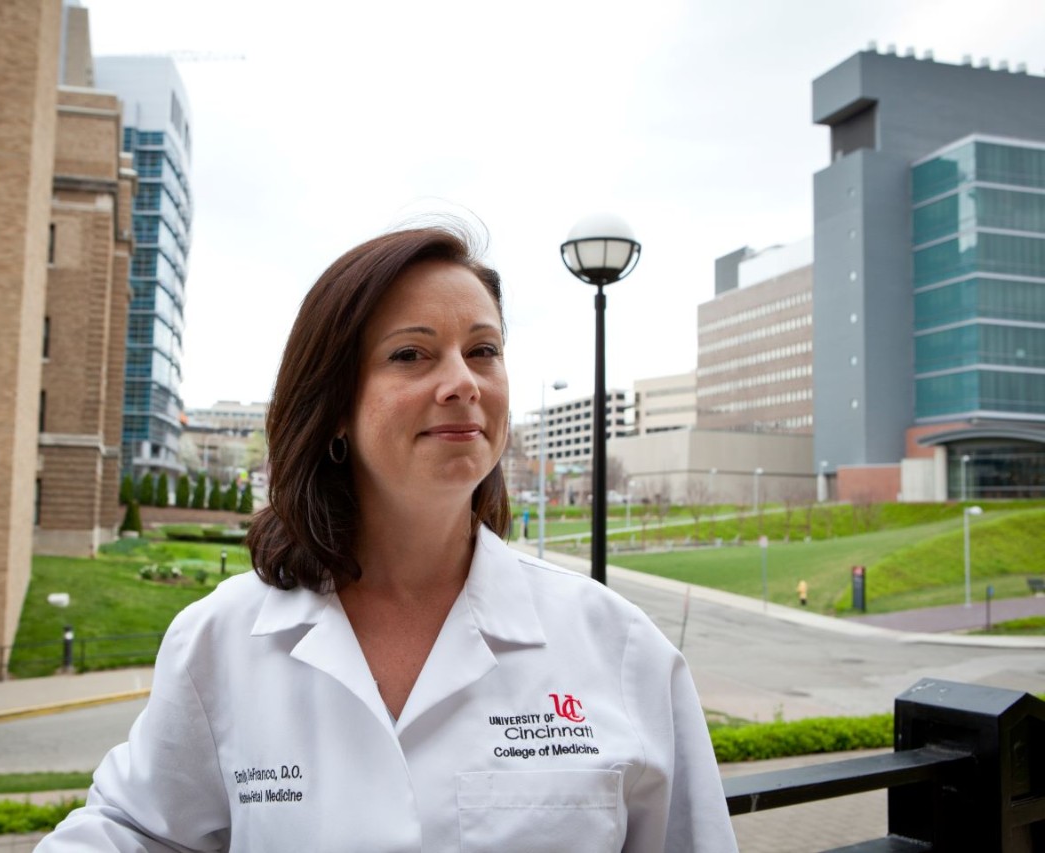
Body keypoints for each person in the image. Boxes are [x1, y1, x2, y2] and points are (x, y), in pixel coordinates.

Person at [37, 223, 738, 852]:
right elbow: (133, 831)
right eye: (412, 354)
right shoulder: (219, 642)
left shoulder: (622, 649)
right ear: (335, 404)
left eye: (483, 350)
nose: (462, 381)